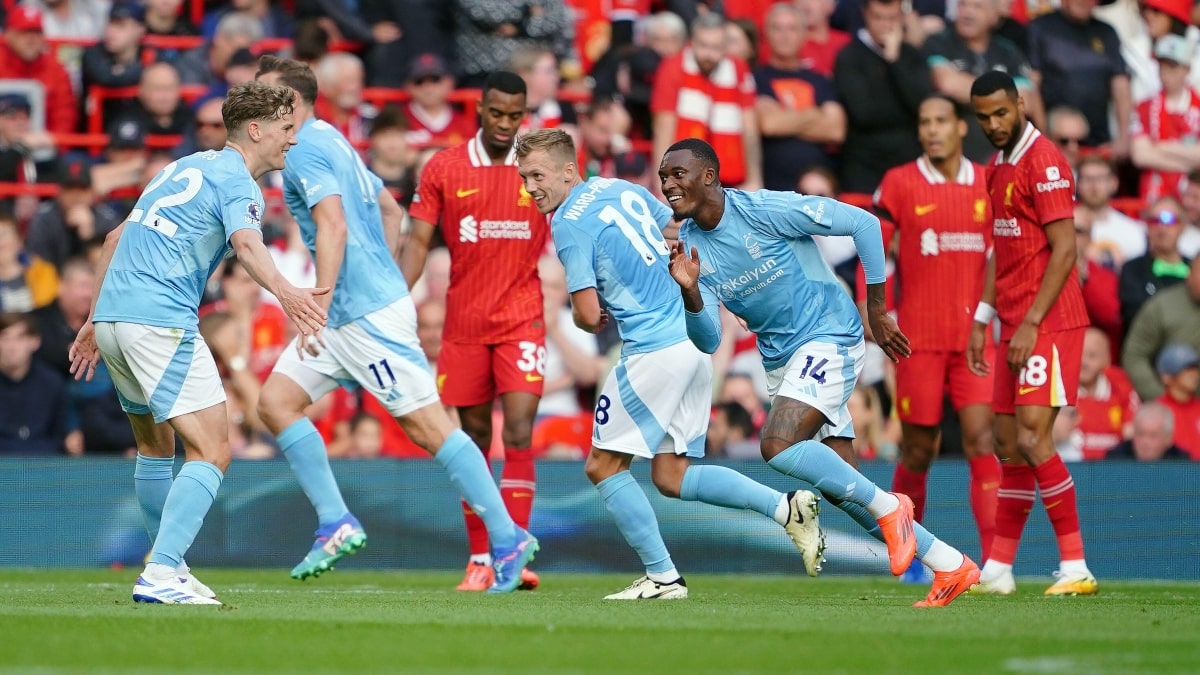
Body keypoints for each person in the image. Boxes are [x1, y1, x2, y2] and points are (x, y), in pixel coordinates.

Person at [253, 56, 538, 593]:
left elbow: (333, 225)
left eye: (265, 98)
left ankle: (508, 537)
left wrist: (327, 296)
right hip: (352, 310)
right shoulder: (333, 139)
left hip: (360, 314)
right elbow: (390, 210)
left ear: (290, 104)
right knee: (275, 403)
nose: (256, 109)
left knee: (428, 428)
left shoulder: (303, 151)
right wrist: (376, 275)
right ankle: (335, 521)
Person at [662, 138, 980, 608]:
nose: (668, 184)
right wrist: (689, 292)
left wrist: (876, 309)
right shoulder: (691, 246)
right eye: (664, 176)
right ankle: (950, 563)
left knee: (778, 444)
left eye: (677, 173)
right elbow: (708, 339)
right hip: (782, 362)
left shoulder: (767, 209)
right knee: (844, 486)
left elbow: (864, 224)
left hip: (830, 335)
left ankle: (895, 509)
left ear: (709, 175)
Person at [515, 128, 825, 599]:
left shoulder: (566, 223)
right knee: (671, 474)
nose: (531, 186)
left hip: (653, 349)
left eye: (537, 175)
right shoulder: (622, 187)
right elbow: (679, 227)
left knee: (602, 466)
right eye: (524, 177)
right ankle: (786, 508)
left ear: (568, 170)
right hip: (693, 335)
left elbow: (581, 311)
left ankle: (662, 576)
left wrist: (590, 317)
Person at [67, 80, 330, 605]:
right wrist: (288, 293)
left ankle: (173, 568)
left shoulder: (180, 166)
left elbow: (114, 238)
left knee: (155, 447)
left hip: (116, 318)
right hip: (159, 321)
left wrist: (96, 319)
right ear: (255, 130)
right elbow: (248, 244)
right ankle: (162, 572)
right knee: (212, 449)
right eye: (285, 129)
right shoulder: (239, 182)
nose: (292, 141)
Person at [401, 71, 547, 592]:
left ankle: (515, 551)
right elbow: (418, 242)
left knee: (521, 430)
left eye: (516, 115)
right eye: (497, 114)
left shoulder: (540, 166)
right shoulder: (445, 165)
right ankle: (482, 555)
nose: (506, 124)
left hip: (523, 316)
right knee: (474, 439)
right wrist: (398, 300)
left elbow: (578, 222)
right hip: (463, 322)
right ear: (480, 109)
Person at [968, 70, 1097, 596]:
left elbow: (1065, 251)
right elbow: (1003, 248)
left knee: (1030, 436)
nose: (994, 124)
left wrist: (1030, 324)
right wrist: (982, 316)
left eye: (1001, 112)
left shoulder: (1043, 160)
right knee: (1006, 444)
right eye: (983, 117)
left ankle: (1075, 566)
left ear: (1020, 104)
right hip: (1014, 321)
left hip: (1050, 319)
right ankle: (998, 569)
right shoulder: (996, 168)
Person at [874, 94, 1000, 580]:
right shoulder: (900, 183)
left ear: (960, 127)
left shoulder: (988, 184)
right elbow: (875, 251)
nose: (932, 130)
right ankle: (914, 559)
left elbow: (999, 255)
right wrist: (878, 309)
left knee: (982, 439)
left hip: (973, 339)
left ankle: (994, 563)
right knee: (918, 448)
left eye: (941, 121)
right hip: (917, 339)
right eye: (924, 122)